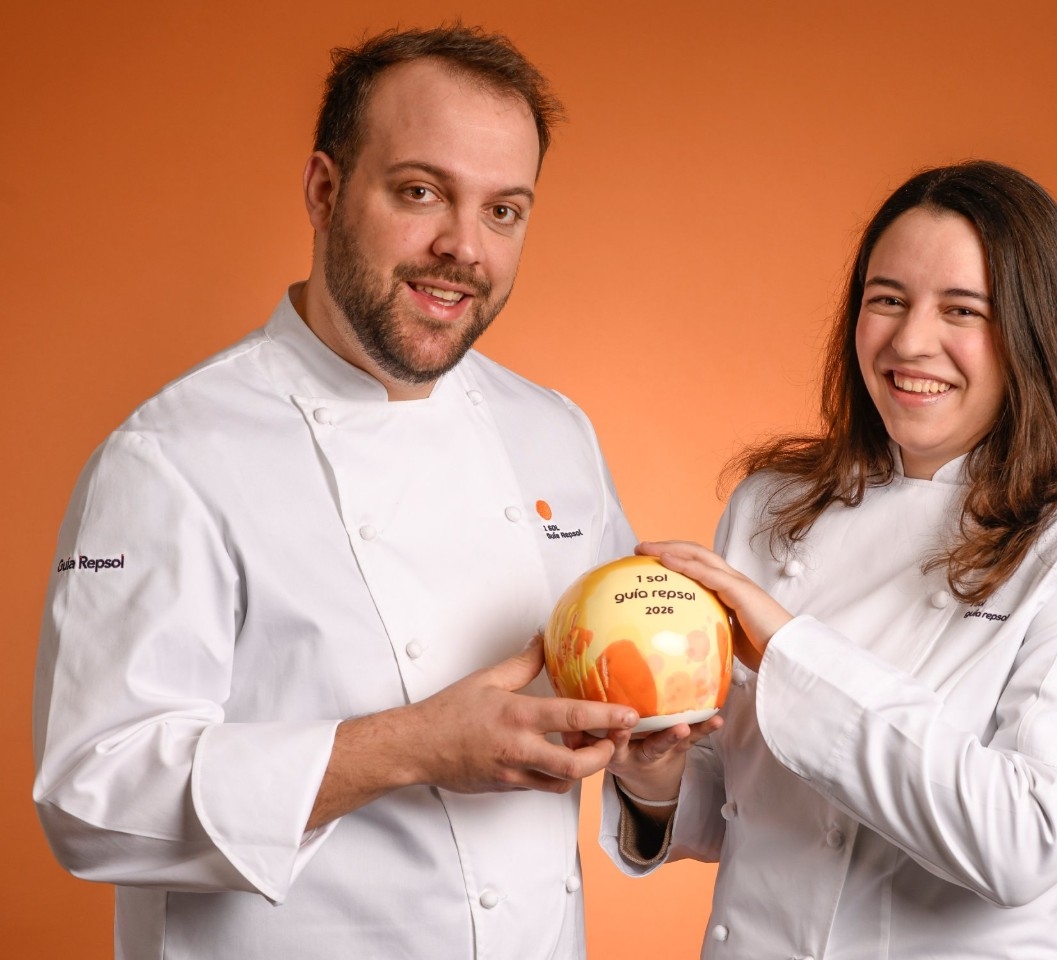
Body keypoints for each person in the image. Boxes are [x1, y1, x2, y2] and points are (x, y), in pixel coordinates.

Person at [33, 25, 642, 960]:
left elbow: (618, 691)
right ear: (324, 191)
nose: (463, 249)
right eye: (421, 192)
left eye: (504, 211)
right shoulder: (171, 456)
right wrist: (413, 747)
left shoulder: (553, 430)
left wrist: (660, 751)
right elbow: (92, 797)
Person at [596, 161, 1057, 958]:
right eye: (887, 299)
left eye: (963, 310)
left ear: (1035, 333)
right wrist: (654, 775)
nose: (911, 341)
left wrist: (790, 650)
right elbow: (749, 804)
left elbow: (1026, 840)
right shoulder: (773, 505)